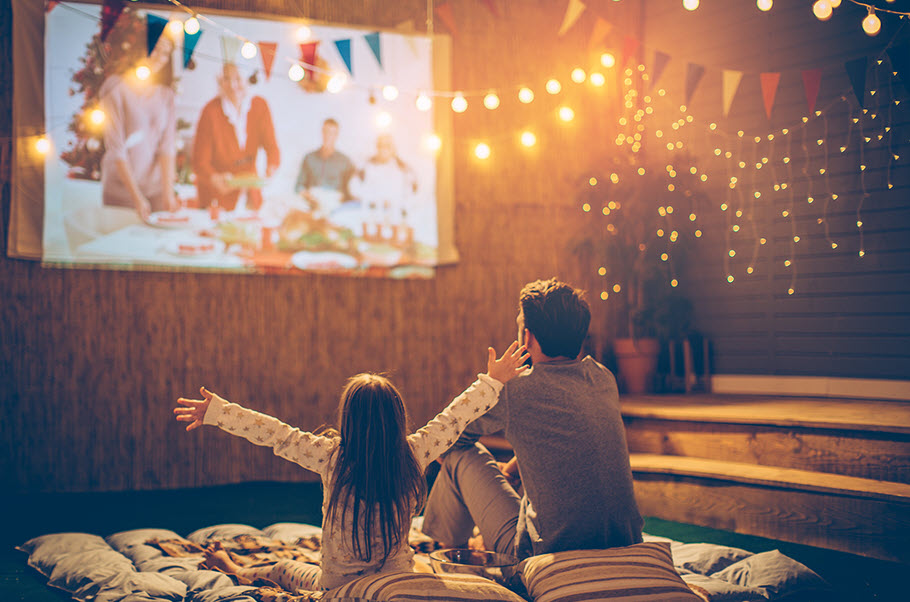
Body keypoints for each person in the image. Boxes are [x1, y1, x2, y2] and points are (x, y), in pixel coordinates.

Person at [173, 342, 529, 593]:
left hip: (338, 587)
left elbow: (276, 434)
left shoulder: (331, 457)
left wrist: (218, 413)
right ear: (397, 417)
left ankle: (236, 569)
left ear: (349, 420)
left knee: (283, 570)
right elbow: (454, 418)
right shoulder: (414, 452)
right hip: (397, 581)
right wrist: (493, 381)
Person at [422, 278, 644, 561]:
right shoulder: (602, 377)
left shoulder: (516, 390)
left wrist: (492, 381)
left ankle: (445, 550)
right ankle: (451, 546)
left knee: (459, 455)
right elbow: (571, 442)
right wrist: (512, 470)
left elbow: (451, 439)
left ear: (527, 338)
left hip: (541, 554)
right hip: (624, 542)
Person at [99, 28, 178, 220]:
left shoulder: (166, 95)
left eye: (166, 53)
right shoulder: (115, 88)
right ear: (141, 49)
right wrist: (137, 198)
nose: (161, 57)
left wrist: (168, 193)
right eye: (156, 49)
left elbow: (167, 147)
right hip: (123, 192)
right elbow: (116, 149)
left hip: (156, 192)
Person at [193, 62, 280, 212]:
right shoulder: (210, 111)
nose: (232, 86)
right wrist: (215, 178)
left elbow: (272, 147)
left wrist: (271, 168)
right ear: (220, 82)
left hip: (249, 194)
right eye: (226, 79)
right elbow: (200, 162)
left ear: (247, 79)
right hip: (217, 196)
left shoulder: (260, 105)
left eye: (238, 79)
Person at [350, 134, 418, 239]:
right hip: (370, 215)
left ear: (393, 148)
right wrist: (373, 200)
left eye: (387, 146)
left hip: (395, 218)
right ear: (376, 147)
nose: (383, 149)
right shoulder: (366, 166)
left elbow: (410, 195)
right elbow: (354, 188)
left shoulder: (403, 169)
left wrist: (394, 203)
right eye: (380, 146)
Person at [294, 119, 356, 213]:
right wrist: (308, 197)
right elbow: (299, 186)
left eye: (332, 133)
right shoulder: (309, 158)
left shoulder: (345, 161)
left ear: (336, 135)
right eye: (326, 132)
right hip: (311, 199)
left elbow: (350, 191)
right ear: (322, 133)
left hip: (334, 202)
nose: (328, 136)